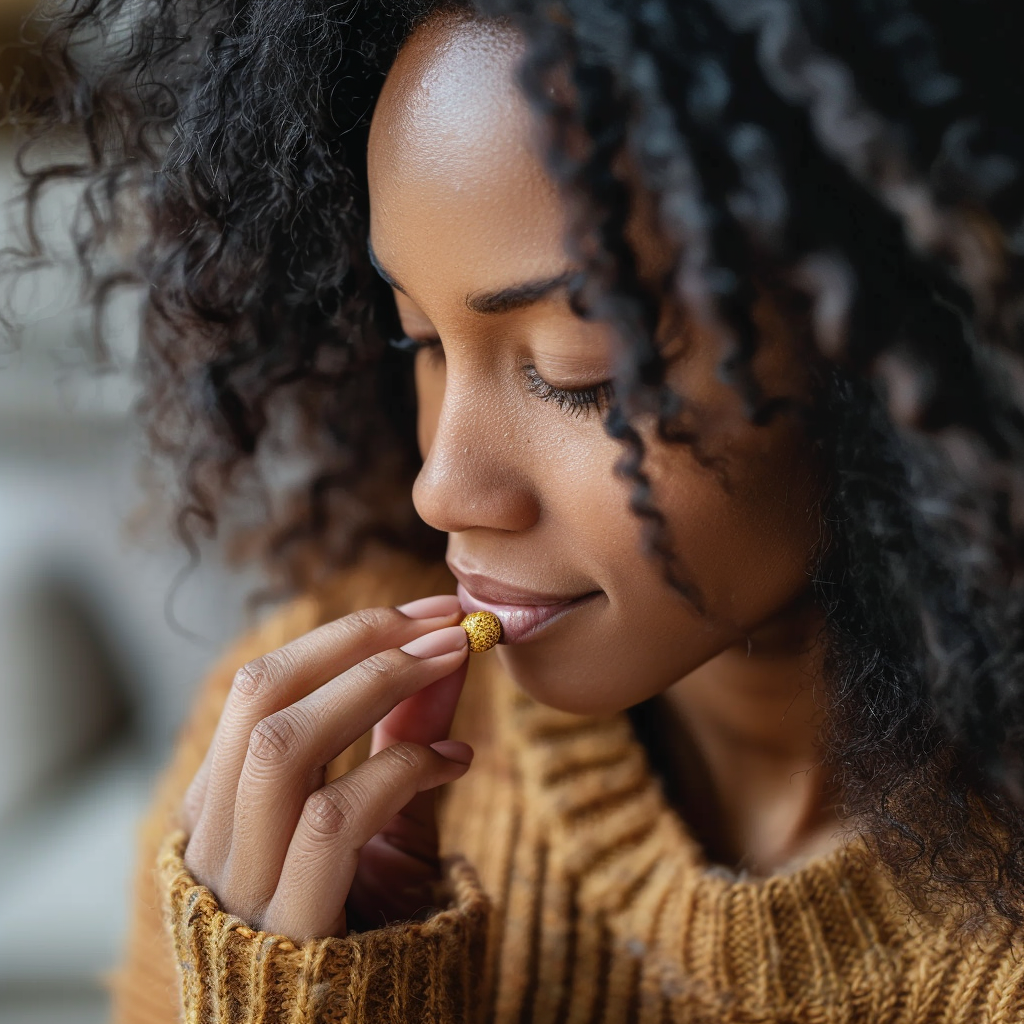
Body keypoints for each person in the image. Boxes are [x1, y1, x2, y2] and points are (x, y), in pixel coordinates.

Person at [8, 0, 1024, 1020]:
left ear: (904, 344)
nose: (442, 488)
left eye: (575, 373)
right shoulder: (300, 772)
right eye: (420, 341)